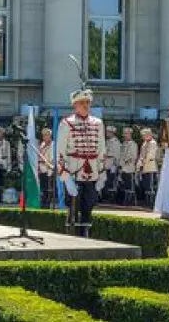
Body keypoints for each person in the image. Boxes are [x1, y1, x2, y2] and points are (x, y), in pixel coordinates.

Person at [55, 88, 106, 237]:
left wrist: (102, 172)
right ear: (75, 105)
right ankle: (71, 235)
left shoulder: (98, 123)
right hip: (73, 172)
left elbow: (101, 148)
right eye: (82, 103)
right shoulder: (67, 123)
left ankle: (86, 235)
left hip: (92, 173)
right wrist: (65, 176)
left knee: (89, 205)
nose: (85, 105)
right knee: (72, 206)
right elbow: (60, 151)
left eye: (87, 103)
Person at [137, 128, 159, 205]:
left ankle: (151, 203)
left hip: (150, 167)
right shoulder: (144, 143)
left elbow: (150, 155)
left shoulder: (153, 143)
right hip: (144, 167)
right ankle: (147, 202)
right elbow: (141, 154)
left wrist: (143, 162)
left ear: (148, 135)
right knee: (145, 185)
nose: (142, 137)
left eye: (144, 135)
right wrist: (139, 164)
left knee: (150, 186)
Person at [119, 127, 138, 205]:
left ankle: (130, 201)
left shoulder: (133, 144)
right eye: (124, 134)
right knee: (125, 185)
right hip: (123, 167)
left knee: (130, 185)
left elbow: (133, 156)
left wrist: (125, 162)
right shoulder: (123, 143)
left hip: (129, 167)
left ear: (130, 134)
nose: (125, 136)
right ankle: (126, 200)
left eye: (127, 134)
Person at [37, 128, 55, 209]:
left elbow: (53, 158)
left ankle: (47, 204)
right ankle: (43, 203)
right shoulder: (42, 144)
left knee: (49, 188)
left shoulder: (53, 145)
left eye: (47, 135)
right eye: (44, 135)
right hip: (42, 169)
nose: (45, 137)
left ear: (50, 135)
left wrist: (49, 166)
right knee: (43, 188)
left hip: (49, 169)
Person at [103, 125, 121, 201]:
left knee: (111, 181)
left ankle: (110, 198)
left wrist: (116, 165)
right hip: (106, 164)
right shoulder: (107, 141)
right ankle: (105, 196)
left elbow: (116, 155)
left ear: (112, 133)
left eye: (108, 132)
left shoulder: (116, 142)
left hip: (112, 165)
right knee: (105, 181)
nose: (107, 133)